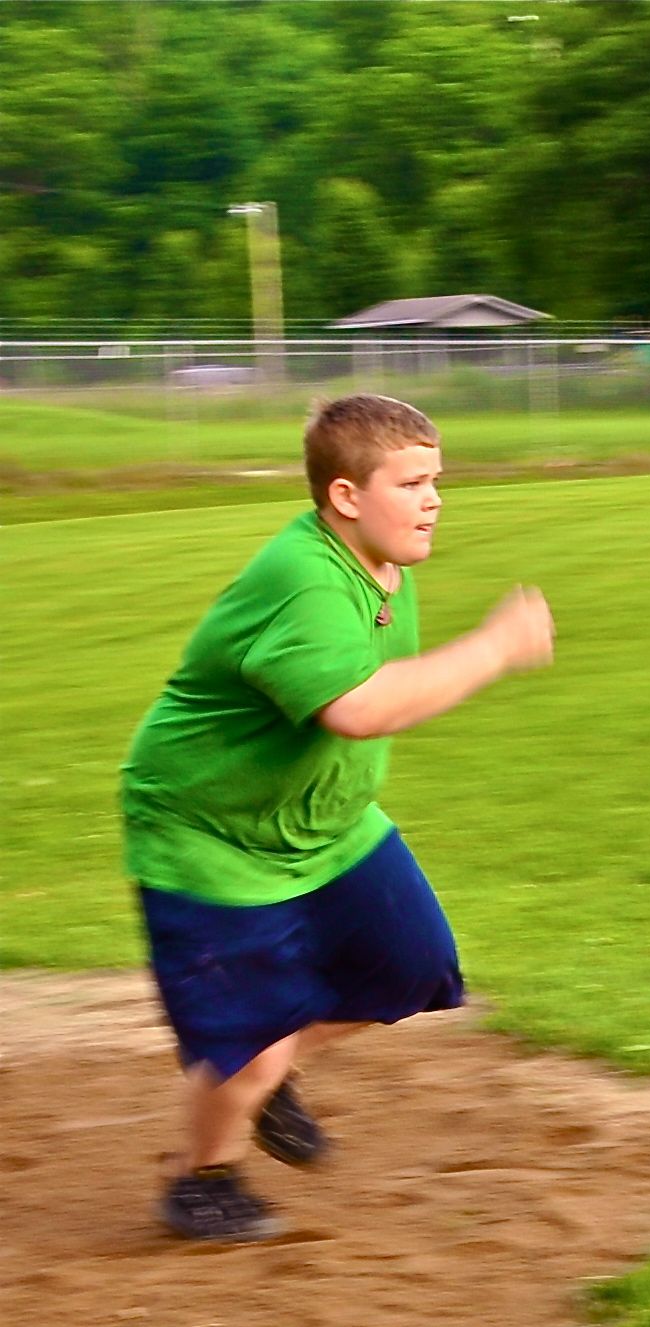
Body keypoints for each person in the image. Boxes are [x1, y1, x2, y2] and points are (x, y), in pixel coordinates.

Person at [120, 394, 556, 1241]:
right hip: (211, 833)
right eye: (413, 482)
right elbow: (356, 708)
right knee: (247, 1045)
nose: (434, 499)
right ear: (346, 497)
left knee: (411, 966)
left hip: (327, 824)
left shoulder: (384, 564)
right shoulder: (305, 579)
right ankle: (202, 1180)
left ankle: (272, 1064)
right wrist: (494, 647)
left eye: (438, 480)